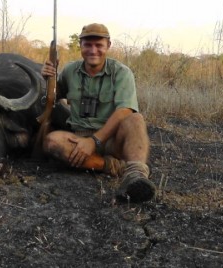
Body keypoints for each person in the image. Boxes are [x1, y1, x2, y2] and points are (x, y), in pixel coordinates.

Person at [41, 23, 156, 203]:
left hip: (111, 138)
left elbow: (124, 110)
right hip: (79, 137)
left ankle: (136, 175)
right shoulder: (70, 70)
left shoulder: (121, 72)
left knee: (135, 118)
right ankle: (114, 167)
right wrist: (48, 78)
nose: (93, 50)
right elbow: (53, 97)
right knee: (52, 141)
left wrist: (94, 142)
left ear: (108, 46)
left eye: (99, 45)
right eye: (88, 45)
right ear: (80, 46)